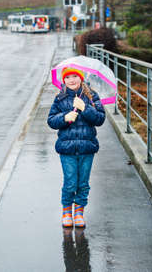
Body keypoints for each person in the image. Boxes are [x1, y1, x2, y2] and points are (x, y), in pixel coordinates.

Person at [47, 67, 105, 228]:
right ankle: (67, 211)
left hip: (87, 147)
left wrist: (85, 109)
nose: (71, 80)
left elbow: (100, 119)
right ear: (63, 80)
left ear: (81, 78)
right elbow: (51, 121)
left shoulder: (91, 96)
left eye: (75, 76)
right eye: (68, 77)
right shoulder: (60, 98)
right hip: (67, 149)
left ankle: (79, 211)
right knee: (70, 182)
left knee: (83, 183)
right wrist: (64, 118)